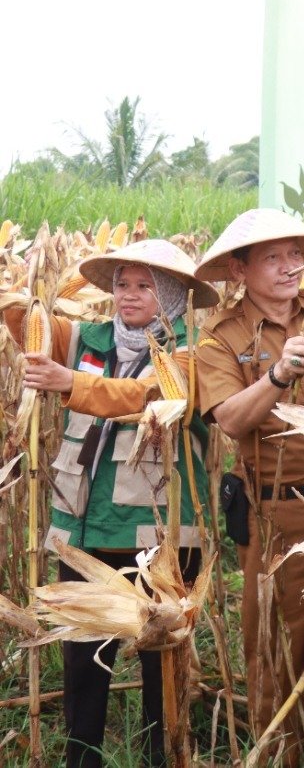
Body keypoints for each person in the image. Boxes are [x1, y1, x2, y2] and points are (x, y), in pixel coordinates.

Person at [6, 239, 216, 768]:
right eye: (122, 284)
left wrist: (69, 382)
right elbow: (25, 326)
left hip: (156, 535)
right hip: (82, 529)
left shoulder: (192, 352)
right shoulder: (88, 338)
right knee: (82, 657)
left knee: (160, 660)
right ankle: (82, 757)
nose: (129, 295)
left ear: (172, 295)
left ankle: (160, 756)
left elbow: (149, 397)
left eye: (145, 286)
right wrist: (27, 293)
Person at [192, 208, 304, 763]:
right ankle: (277, 752)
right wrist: (278, 375)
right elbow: (229, 419)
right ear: (240, 270)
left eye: (296, 254)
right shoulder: (221, 338)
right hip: (275, 513)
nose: (290, 267)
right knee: (276, 639)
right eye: (273, 257)